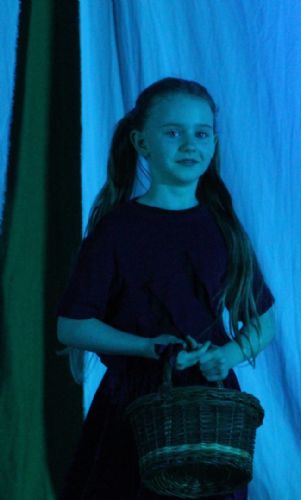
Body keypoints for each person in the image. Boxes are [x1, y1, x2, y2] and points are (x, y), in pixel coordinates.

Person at [56, 77, 276, 499]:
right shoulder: (117, 230)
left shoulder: (223, 228)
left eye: (202, 133)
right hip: (133, 408)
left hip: (211, 411)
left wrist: (226, 356)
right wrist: (149, 347)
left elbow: (264, 321)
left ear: (214, 143)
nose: (190, 144)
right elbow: (72, 326)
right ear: (141, 142)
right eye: (173, 132)